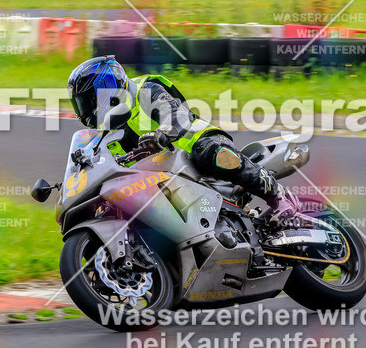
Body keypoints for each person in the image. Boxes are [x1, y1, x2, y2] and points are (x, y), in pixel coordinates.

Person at [66, 56, 301, 226]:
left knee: (210, 152)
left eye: (89, 101)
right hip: (166, 177)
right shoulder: (110, 134)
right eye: (82, 104)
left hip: (195, 146)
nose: (87, 110)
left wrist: (164, 132)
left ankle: (278, 196)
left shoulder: (145, 91)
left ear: (108, 89)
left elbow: (174, 114)